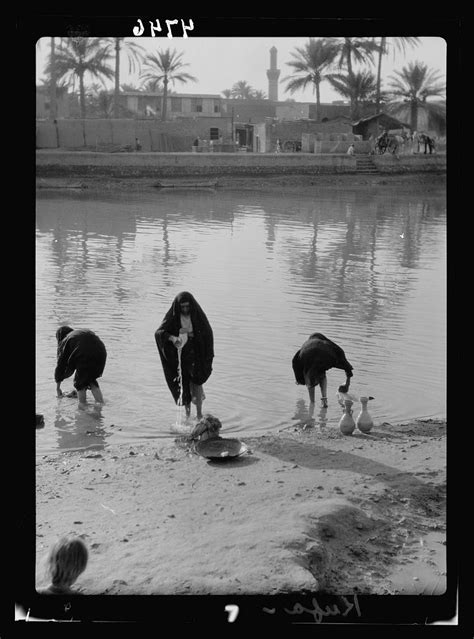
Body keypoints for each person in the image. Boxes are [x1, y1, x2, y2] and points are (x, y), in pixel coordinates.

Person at [155, 291, 214, 420]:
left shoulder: (197, 316)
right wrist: (172, 338)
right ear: (178, 307)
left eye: (188, 306)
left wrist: (193, 336)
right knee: (184, 383)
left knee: (197, 382)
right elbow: (159, 332)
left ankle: (199, 413)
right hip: (181, 355)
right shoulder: (174, 316)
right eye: (183, 307)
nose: (186, 309)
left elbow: (207, 333)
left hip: (196, 353)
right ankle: (187, 416)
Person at [292, 333, 354, 409]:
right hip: (326, 354)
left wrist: (299, 379)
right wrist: (347, 381)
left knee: (309, 379)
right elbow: (340, 353)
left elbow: (295, 362)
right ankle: (324, 400)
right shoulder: (326, 343)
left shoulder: (304, 347)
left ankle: (312, 403)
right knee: (322, 373)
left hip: (308, 355)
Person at [55, 326, 107, 405]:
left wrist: (58, 388)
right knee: (90, 379)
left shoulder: (65, 340)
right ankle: (101, 404)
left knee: (79, 383)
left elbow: (60, 365)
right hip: (101, 352)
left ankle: (82, 407)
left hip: (85, 355)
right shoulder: (77, 335)